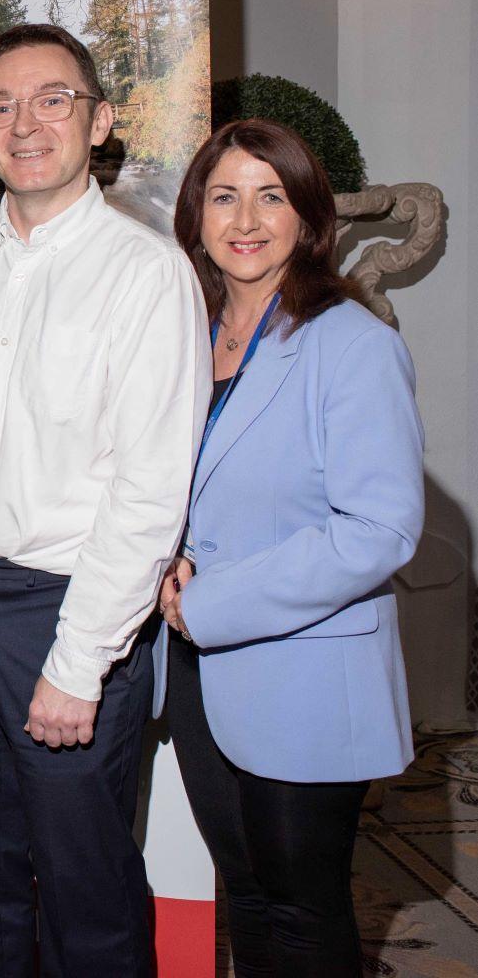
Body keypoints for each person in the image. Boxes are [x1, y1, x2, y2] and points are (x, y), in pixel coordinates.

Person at [0, 23, 210, 977]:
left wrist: (79, 662)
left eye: (52, 100)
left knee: (88, 896)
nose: (24, 124)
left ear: (99, 120)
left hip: (61, 612)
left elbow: (150, 490)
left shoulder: (146, 274)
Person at [157, 119, 422, 976]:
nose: (245, 217)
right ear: (195, 215)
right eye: (224, 195)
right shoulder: (181, 343)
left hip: (303, 670)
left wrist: (207, 601)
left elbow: (378, 529)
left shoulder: (351, 344)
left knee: (303, 911)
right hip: (196, 674)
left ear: (309, 220)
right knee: (246, 897)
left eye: (271, 196)